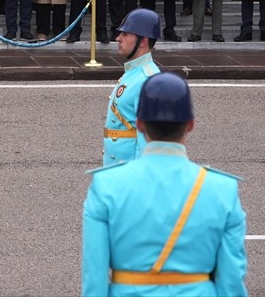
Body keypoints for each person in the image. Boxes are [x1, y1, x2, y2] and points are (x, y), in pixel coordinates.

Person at [82, 72, 247, 297]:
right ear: (190, 125)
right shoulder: (223, 189)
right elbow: (231, 284)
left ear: (139, 124)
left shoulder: (106, 185)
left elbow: (94, 279)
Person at [102, 8, 162, 165]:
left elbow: (148, 143)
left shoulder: (148, 81)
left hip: (129, 174)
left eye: (125, 34)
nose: (118, 38)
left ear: (143, 41)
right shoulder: (134, 72)